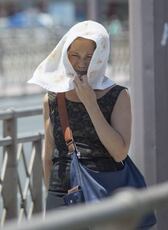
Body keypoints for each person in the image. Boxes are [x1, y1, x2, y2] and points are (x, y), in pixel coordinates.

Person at [28, 20, 131, 210]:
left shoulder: (118, 96)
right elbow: (49, 152)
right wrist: (52, 195)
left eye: (90, 56)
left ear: (101, 55)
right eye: (75, 55)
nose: (81, 63)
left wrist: (90, 103)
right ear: (65, 54)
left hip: (103, 191)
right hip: (61, 193)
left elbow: (119, 153)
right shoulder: (52, 98)